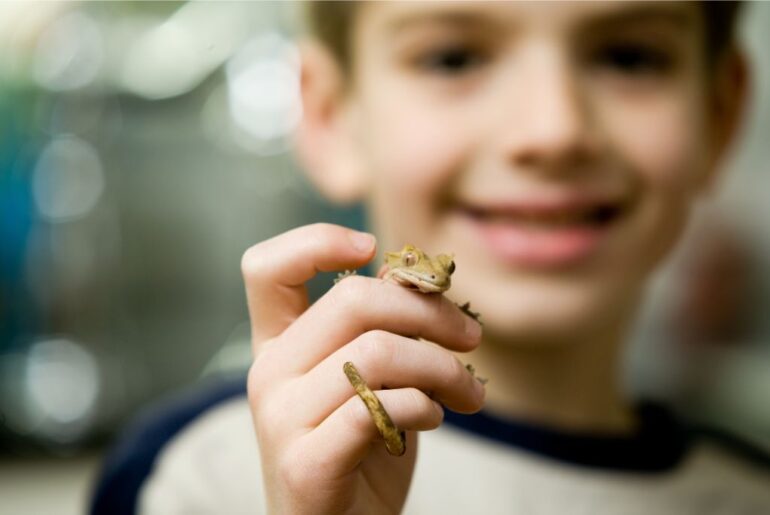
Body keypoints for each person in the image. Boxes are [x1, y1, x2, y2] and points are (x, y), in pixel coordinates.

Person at [91, 2, 770, 514]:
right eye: (452, 57)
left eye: (629, 57)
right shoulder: (195, 474)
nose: (553, 131)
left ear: (720, 115)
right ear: (330, 116)